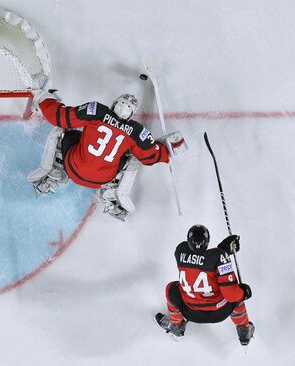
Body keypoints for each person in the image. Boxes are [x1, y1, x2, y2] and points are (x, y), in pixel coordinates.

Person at [27, 90, 185, 220]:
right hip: (102, 180)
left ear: (114, 104)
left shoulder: (97, 111)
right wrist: (168, 150)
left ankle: (49, 176)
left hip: (72, 168)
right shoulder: (136, 131)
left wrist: (44, 99)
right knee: (132, 157)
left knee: (64, 130)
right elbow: (150, 157)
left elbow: (61, 118)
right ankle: (113, 197)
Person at [155, 225, 255, 346]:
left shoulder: (180, 251)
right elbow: (231, 294)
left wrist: (222, 250)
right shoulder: (219, 257)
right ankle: (244, 330)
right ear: (207, 241)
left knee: (171, 289)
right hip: (220, 312)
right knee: (237, 294)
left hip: (190, 311)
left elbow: (201, 261)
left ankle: (177, 325)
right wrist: (244, 293)